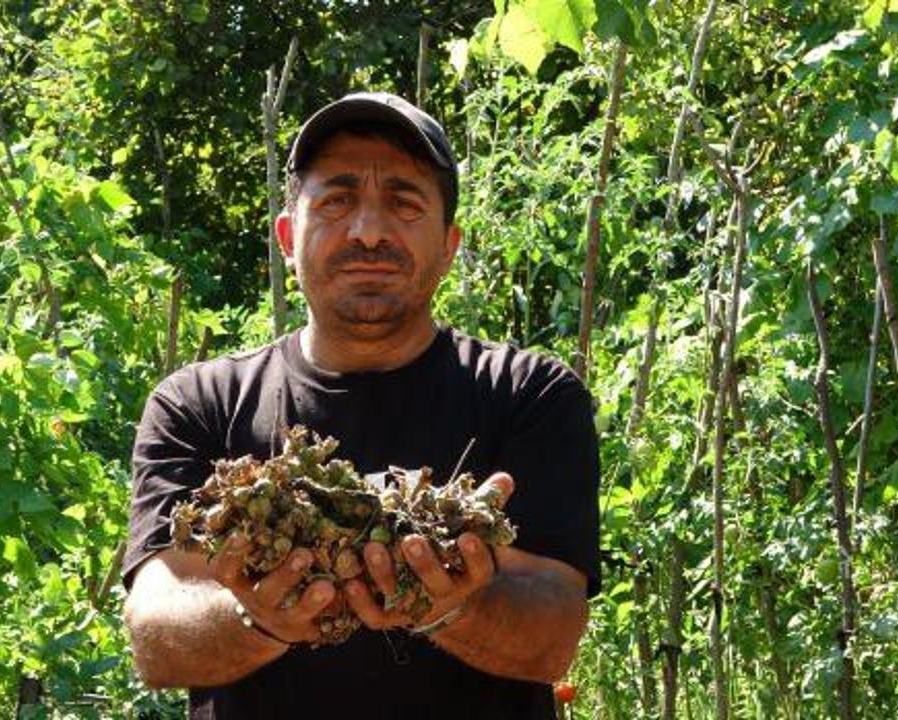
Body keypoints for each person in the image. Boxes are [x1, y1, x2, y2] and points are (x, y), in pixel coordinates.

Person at [123, 91, 600, 719]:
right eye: (337, 200)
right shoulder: (199, 406)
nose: (369, 231)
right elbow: (156, 637)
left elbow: (555, 636)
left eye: (404, 203)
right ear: (289, 237)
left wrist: (455, 607)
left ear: (449, 243)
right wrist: (260, 619)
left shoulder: (529, 396)